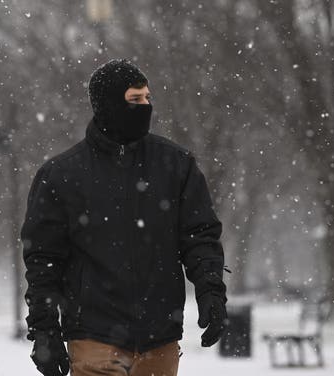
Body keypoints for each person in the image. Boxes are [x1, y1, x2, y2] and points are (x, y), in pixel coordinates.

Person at [21, 58, 229, 376]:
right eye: (135, 99)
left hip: (160, 336)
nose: (145, 106)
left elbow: (199, 235)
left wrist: (210, 290)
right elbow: (43, 261)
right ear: (108, 104)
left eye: (147, 98)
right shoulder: (61, 175)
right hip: (93, 336)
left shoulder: (175, 165)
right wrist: (44, 329)